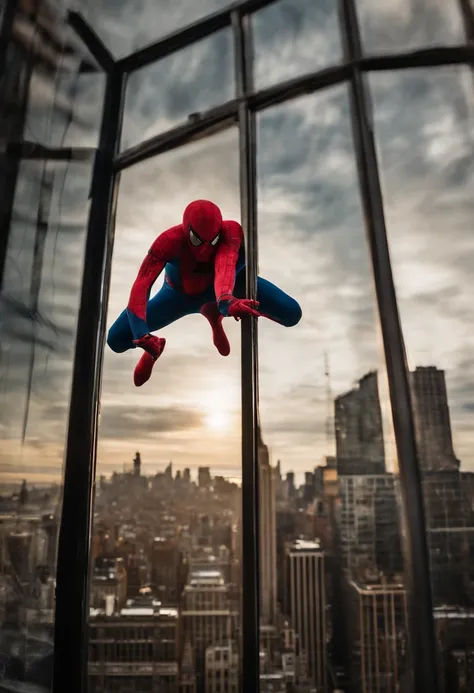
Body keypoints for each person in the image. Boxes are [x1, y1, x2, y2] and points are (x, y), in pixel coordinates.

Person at [107, 199, 302, 386]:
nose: (205, 251)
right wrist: (143, 336)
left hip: (232, 286)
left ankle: (213, 312)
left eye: (213, 241)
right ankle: (155, 350)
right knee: (116, 339)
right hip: (178, 297)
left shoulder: (231, 232)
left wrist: (227, 301)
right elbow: (142, 284)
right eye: (197, 240)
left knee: (291, 313)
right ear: (186, 231)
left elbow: (224, 266)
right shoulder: (168, 241)